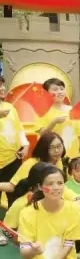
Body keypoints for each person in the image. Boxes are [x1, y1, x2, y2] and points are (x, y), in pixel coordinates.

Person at [0, 132, 80, 209]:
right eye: (51, 147)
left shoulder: (63, 162)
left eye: (59, 146)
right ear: (44, 149)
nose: (56, 150)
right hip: (31, 203)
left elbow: (67, 186)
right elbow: (12, 186)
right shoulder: (31, 163)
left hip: (55, 202)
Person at [35, 78, 80, 159]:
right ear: (46, 93)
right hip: (53, 157)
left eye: (62, 89)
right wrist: (53, 122)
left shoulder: (72, 110)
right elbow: (42, 135)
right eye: (55, 89)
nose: (60, 92)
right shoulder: (41, 112)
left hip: (74, 157)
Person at [0, 76, 30, 211]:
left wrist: (25, 145)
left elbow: (19, 129)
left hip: (13, 159)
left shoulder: (10, 107)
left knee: (15, 196)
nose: (2, 88)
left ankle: (13, 223)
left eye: (2, 85)